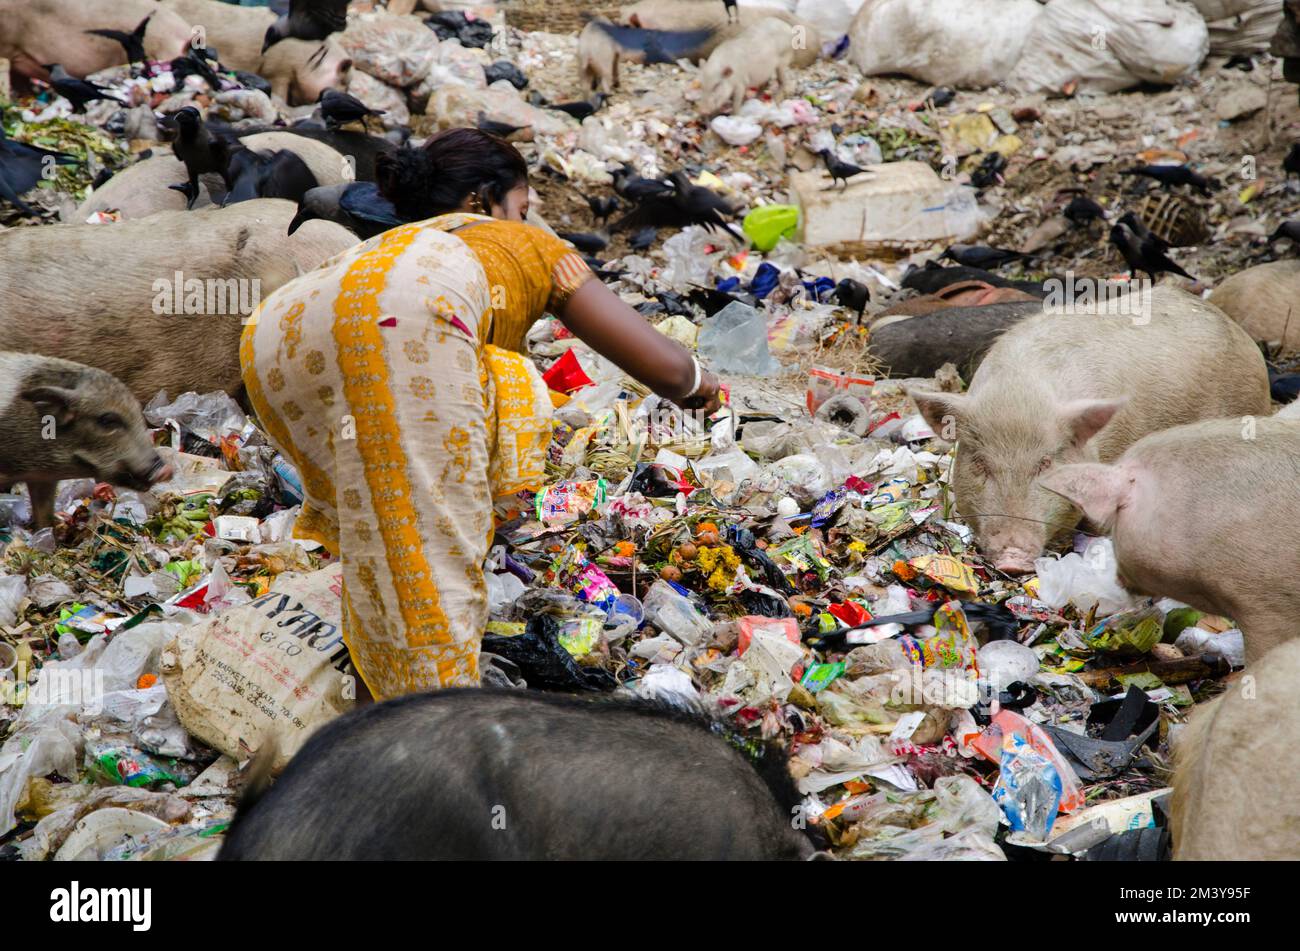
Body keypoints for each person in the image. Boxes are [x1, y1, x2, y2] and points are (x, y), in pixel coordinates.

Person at [241, 128, 721, 701]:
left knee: (385, 538)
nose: (525, 222)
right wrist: (702, 385)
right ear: (483, 198)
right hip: (399, 328)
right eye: (522, 208)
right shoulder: (522, 246)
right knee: (436, 543)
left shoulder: (391, 244)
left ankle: (373, 695)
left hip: (278, 336)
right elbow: (665, 369)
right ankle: (434, 718)